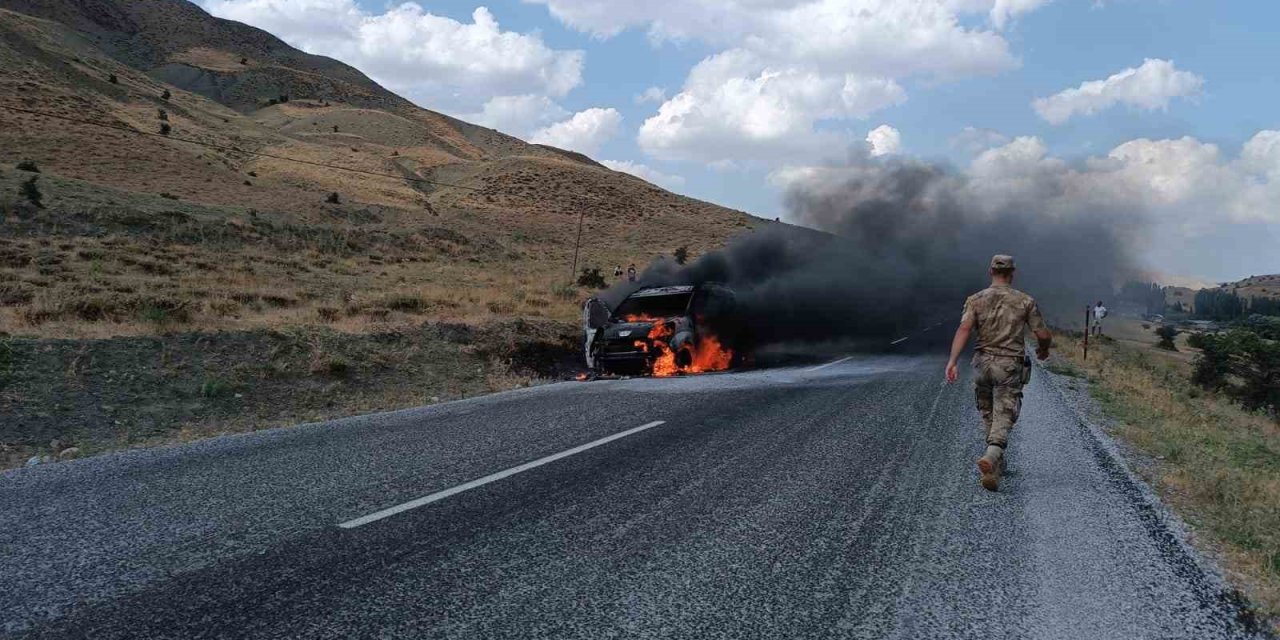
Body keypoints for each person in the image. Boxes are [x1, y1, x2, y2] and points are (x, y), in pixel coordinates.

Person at [945, 255, 1053, 491]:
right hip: (1008, 365)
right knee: (1005, 411)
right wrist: (1044, 349)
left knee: (987, 411)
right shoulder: (1024, 301)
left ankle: (996, 464)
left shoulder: (975, 300)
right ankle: (993, 455)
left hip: (982, 363)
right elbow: (1042, 334)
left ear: (990, 271)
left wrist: (952, 361)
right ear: (1012, 273)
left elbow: (964, 328)